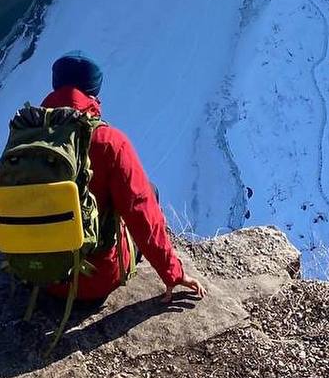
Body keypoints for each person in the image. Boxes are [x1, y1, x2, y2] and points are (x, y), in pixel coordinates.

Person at [42, 51, 206, 304]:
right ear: (94, 93)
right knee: (149, 191)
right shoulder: (108, 142)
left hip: (34, 276)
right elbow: (141, 212)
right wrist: (173, 273)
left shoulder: (25, 135)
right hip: (91, 282)